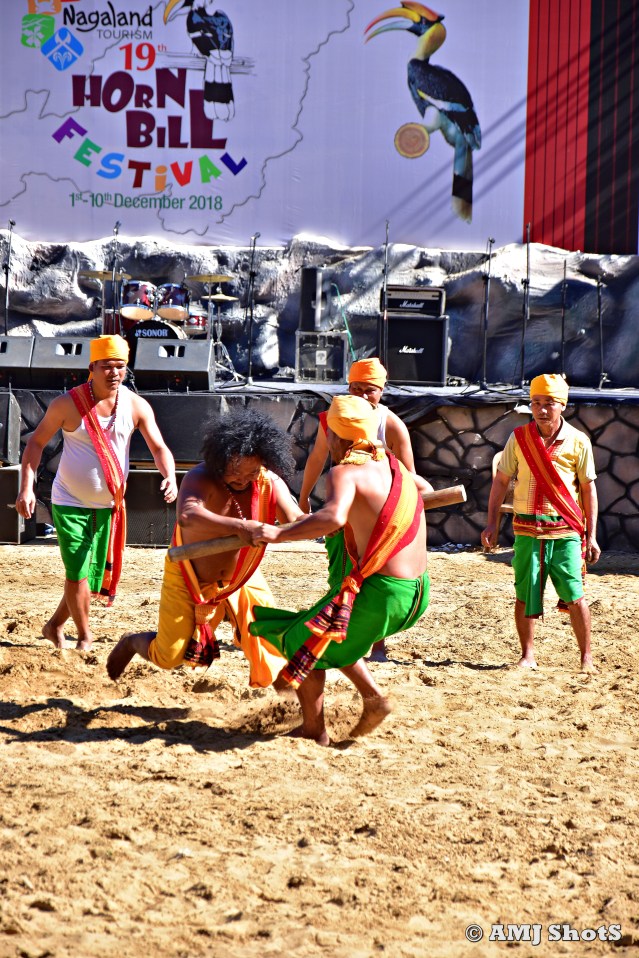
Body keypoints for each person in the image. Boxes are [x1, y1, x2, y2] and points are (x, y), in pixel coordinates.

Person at [246, 394, 432, 745]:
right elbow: (424, 489)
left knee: (306, 644)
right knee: (331, 627)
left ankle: (315, 730)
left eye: (327, 431)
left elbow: (332, 516)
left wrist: (279, 533)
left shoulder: (345, 471)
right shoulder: (393, 466)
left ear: (336, 436)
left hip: (385, 594)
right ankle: (373, 700)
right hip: (418, 591)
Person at [106, 408, 304, 687]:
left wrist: (330, 521)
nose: (243, 480)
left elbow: (296, 521)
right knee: (170, 656)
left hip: (242, 577)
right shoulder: (201, 477)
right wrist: (240, 527)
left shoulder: (269, 482)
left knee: (269, 637)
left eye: (252, 473)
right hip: (189, 574)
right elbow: (187, 515)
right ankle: (131, 643)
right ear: (221, 459)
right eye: (236, 473)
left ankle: (288, 698)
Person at [15, 334, 178, 651]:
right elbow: (35, 443)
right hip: (69, 502)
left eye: (120, 366)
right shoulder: (67, 404)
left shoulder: (135, 405)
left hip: (108, 506)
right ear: (91, 367)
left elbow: (159, 447)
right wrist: (26, 487)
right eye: (107, 366)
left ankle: (53, 625)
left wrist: (170, 476)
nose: (114, 372)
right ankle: (85, 637)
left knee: (85, 576)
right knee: (77, 570)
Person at [298, 356, 428, 662]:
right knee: (341, 577)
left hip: (380, 521)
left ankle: (376, 645)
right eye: (355, 387)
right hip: (344, 512)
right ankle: (341, 634)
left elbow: (408, 477)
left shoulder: (391, 424)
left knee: (375, 579)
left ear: (381, 391)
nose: (361, 394)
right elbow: (317, 458)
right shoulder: (335, 417)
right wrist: (303, 497)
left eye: (369, 389)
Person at [481, 374, 600, 672]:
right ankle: (527, 655)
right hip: (526, 529)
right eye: (536, 402)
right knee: (525, 592)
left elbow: (588, 489)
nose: (542, 409)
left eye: (549, 403)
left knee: (575, 594)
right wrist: (491, 523)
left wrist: (592, 535)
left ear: (563, 406)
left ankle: (586, 658)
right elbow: (501, 481)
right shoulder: (518, 438)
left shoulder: (578, 441)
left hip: (565, 530)